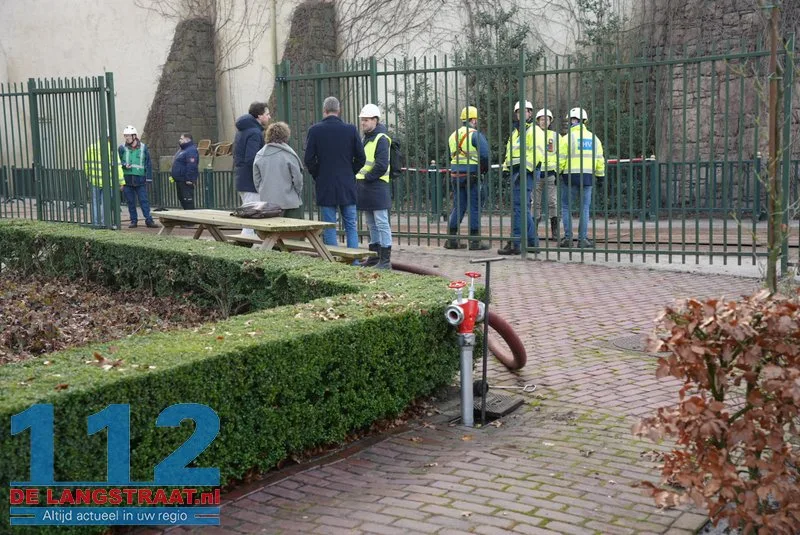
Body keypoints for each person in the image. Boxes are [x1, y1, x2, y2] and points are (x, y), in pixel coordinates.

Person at [303, 96, 366, 250]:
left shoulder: (315, 130)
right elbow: (361, 157)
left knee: (329, 225)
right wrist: (350, 171)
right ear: (339, 110)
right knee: (351, 224)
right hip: (346, 183)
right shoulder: (350, 130)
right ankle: (354, 261)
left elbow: (309, 159)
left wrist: (318, 174)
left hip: (325, 183)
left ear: (324, 110)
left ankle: (333, 261)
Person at [497, 101, 544, 255]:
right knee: (522, 207)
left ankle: (515, 242)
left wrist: (525, 169)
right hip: (516, 172)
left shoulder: (534, 131)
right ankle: (532, 242)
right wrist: (505, 168)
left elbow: (537, 153)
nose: (521, 114)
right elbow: (509, 154)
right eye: (519, 112)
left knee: (519, 207)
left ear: (530, 113)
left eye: (525, 111)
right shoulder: (516, 133)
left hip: (527, 172)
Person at [445, 106, 490, 250]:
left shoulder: (452, 136)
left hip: (455, 175)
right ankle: (475, 241)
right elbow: (485, 155)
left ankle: (451, 240)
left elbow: (450, 156)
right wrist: (484, 169)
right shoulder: (475, 135)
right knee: (474, 207)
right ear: (473, 119)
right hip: (472, 175)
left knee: (459, 206)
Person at [559, 107, 605, 248]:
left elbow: (561, 159)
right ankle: (582, 239)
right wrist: (600, 176)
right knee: (584, 208)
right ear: (584, 121)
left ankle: (568, 239)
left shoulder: (566, 139)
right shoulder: (593, 138)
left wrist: (558, 173)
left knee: (566, 207)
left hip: (569, 177)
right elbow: (599, 159)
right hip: (587, 177)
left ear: (572, 121)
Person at [356, 103, 393, 269]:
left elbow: (381, 164)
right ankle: (374, 257)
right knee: (371, 223)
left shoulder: (381, 139)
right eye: (362, 120)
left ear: (375, 120)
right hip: (367, 186)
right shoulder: (367, 138)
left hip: (377, 186)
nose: (363, 123)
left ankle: (385, 260)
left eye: (366, 120)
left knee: (381, 222)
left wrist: (367, 177)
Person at [253, 121, 304, 219]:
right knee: (291, 233)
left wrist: (263, 192)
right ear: (286, 136)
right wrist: (296, 193)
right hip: (289, 202)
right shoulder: (289, 154)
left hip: (268, 204)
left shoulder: (259, 155)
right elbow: (297, 179)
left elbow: (257, 181)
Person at [234, 101, 271, 236]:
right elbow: (252, 159)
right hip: (251, 182)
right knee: (251, 220)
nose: (269, 117)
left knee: (249, 217)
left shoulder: (242, 130)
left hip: (242, 179)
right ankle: (245, 249)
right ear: (259, 116)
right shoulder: (255, 133)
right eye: (267, 114)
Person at [118, 125, 157, 228]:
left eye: (128, 136)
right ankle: (133, 221)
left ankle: (149, 220)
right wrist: (123, 164)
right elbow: (117, 161)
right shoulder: (122, 148)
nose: (127, 138)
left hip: (140, 179)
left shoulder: (144, 147)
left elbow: (148, 163)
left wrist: (148, 178)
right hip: (127, 179)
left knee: (144, 200)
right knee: (130, 202)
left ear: (134, 136)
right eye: (125, 136)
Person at [532, 108, 560, 241]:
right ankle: (534, 231)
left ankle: (554, 232)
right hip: (535, 174)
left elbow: (562, 154)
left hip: (550, 174)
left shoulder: (555, 136)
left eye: (547, 119)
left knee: (552, 202)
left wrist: (559, 172)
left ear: (550, 121)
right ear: (538, 121)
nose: (544, 121)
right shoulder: (532, 134)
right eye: (542, 119)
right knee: (535, 203)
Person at [84, 138, 122, 227]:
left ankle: (96, 223)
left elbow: (86, 164)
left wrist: (89, 176)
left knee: (95, 202)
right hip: (108, 182)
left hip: (94, 180)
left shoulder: (91, 148)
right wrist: (121, 181)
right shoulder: (112, 150)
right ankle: (104, 222)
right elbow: (118, 167)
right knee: (105, 202)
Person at [170, 133, 199, 210]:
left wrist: (189, 179)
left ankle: (191, 220)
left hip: (185, 180)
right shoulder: (182, 150)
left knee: (188, 200)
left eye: (181, 139)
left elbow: (192, 166)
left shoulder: (191, 150)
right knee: (182, 199)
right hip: (179, 180)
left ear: (187, 140)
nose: (179, 140)